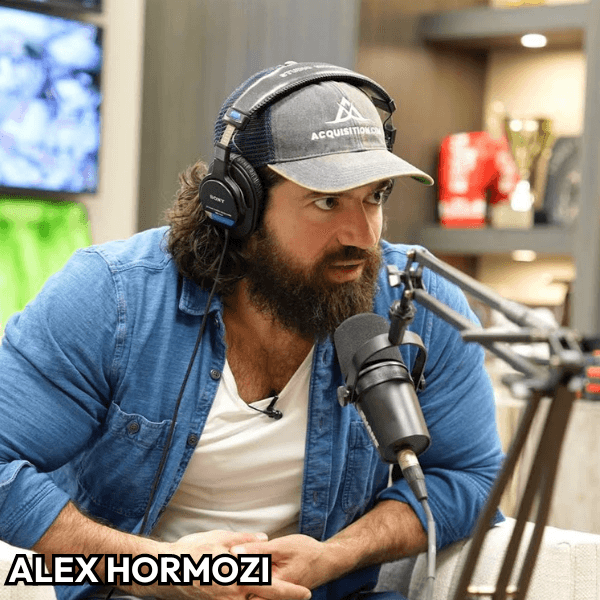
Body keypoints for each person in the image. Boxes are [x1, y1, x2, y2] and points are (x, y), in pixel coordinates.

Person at [0, 62, 504, 600]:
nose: (362, 235)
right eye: (327, 201)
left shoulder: (415, 302)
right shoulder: (113, 296)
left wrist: (335, 557)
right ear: (239, 205)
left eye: (375, 196)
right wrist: (160, 571)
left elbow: (471, 477)